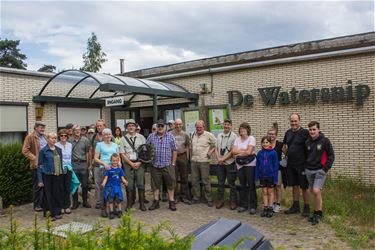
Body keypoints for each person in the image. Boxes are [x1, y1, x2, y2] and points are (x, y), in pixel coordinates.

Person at [305, 121, 335, 225]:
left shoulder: (325, 141)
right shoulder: (307, 142)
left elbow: (331, 156)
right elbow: (306, 156)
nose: (312, 131)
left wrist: (325, 169)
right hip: (309, 170)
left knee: (316, 190)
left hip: (320, 171)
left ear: (318, 130)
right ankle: (319, 212)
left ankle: (316, 213)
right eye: (310, 130)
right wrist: (305, 168)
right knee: (315, 192)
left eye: (314, 129)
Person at [146, 119, 178, 211]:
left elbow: (174, 150)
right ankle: (156, 201)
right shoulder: (151, 136)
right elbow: (147, 149)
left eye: (162, 126)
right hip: (155, 165)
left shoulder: (170, 136)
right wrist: (149, 161)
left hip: (167, 164)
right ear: (156, 127)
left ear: (165, 127)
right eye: (158, 126)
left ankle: (171, 201)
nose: (160, 128)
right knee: (155, 184)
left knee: (170, 183)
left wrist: (173, 163)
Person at [283, 113, 310, 217]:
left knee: (304, 186)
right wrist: (286, 152)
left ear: (299, 121)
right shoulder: (288, 133)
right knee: (294, 185)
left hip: (302, 164)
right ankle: (295, 206)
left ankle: (307, 208)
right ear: (289, 121)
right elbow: (285, 146)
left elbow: (309, 147)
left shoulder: (305, 133)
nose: (293, 123)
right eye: (292, 121)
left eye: (295, 121)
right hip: (291, 164)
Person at [120, 119, 147, 211]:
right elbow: (122, 153)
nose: (131, 127)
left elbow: (145, 151)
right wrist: (131, 163)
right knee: (129, 184)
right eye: (129, 126)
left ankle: (142, 204)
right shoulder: (123, 139)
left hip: (140, 163)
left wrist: (140, 162)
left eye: (132, 126)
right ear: (127, 128)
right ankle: (129, 204)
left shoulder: (141, 137)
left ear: (136, 127)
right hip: (128, 164)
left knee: (140, 183)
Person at [37, 132, 64, 221]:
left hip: (57, 175)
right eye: (52, 138)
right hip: (47, 175)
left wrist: (62, 173)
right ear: (47, 139)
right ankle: (49, 214)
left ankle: (56, 212)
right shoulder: (43, 151)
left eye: (55, 138)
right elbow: (39, 166)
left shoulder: (58, 149)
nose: (54, 140)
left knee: (57, 194)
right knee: (48, 195)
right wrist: (40, 180)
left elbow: (61, 163)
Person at [232, 122, 257, 214]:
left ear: (248, 130)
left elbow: (249, 152)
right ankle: (243, 205)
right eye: (241, 129)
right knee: (242, 185)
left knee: (251, 185)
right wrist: (243, 151)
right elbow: (233, 151)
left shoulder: (251, 138)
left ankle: (253, 206)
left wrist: (239, 153)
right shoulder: (237, 139)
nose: (242, 131)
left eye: (244, 129)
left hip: (250, 164)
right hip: (240, 165)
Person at [190, 120, 216, 207]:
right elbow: (190, 146)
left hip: (204, 161)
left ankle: (209, 199)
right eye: (197, 127)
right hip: (194, 161)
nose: (199, 129)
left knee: (206, 181)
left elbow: (215, 144)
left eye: (200, 127)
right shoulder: (192, 134)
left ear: (203, 127)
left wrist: (210, 152)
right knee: (194, 181)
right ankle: (196, 197)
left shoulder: (208, 135)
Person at [22, 121, 47, 212]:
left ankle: (43, 204)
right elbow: (25, 151)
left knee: (45, 185)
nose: (43, 129)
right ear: (35, 127)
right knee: (37, 186)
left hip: (46, 165)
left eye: (43, 127)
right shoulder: (30, 137)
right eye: (41, 127)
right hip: (37, 166)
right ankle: (37, 205)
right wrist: (35, 159)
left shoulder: (44, 136)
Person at [94, 128, 119, 217]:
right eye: (106, 134)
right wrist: (104, 163)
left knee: (114, 188)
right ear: (103, 136)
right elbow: (96, 158)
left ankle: (114, 208)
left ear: (111, 135)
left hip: (114, 169)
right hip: (104, 170)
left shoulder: (115, 145)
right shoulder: (99, 144)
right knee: (103, 189)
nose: (108, 136)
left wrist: (119, 167)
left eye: (109, 134)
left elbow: (118, 157)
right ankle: (103, 208)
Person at [214, 119, 237, 210]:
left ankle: (233, 201)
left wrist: (223, 158)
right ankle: (220, 200)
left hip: (229, 163)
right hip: (220, 163)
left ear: (231, 126)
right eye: (225, 124)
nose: (226, 126)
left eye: (228, 125)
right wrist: (219, 158)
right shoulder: (219, 135)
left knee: (231, 183)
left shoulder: (234, 136)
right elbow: (215, 148)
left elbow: (232, 151)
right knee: (220, 183)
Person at [255, 136, 279, 218]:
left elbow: (276, 165)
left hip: (270, 176)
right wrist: (257, 176)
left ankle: (270, 208)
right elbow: (257, 165)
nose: (265, 144)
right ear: (261, 144)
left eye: (267, 142)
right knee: (264, 192)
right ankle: (265, 208)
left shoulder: (273, 152)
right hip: (262, 176)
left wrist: (275, 178)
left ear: (270, 143)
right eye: (263, 142)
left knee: (270, 192)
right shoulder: (259, 153)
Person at [69, 125, 92, 209]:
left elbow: (88, 152)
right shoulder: (69, 140)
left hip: (83, 164)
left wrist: (89, 165)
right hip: (74, 164)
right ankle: (75, 202)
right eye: (76, 130)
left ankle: (85, 201)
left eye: (79, 130)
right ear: (73, 131)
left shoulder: (85, 140)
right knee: (74, 184)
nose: (78, 131)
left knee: (85, 184)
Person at [101, 153, 128, 219]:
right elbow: (105, 178)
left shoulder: (120, 170)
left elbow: (122, 178)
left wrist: (125, 182)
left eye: (116, 160)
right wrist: (103, 183)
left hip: (117, 188)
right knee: (111, 200)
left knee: (118, 200)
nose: (115, 162)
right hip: (110, 187)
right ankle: (111, 212)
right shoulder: (108, 170)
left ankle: (119, 211)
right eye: (113, 160)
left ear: (118, 161)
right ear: (111, 161)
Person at [170, 118, 191, 203]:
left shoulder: (185, 134)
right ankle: (176, 196)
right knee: (173, 177)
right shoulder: (170, 134)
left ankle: (184, 196)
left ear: (182, 124)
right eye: (176, 124)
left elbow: (188, 146)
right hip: (173, 157)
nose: (178, 126)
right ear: (174, 125)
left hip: (183, 157)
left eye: (180, 124)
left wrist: (188, 158)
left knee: (184, 177)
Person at [267, 125, 286, 213]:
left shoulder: (280, 144)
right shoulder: (266, 143)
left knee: (278, 186)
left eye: (273, 134)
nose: (271, 136)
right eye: (270, 134)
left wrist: (284, 162)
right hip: (268, 169)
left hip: (277, 169)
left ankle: (278, 204)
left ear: (276, 135)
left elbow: (286, 153)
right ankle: (272, 202)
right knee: (271, 187)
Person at [55, 129, 73, 214]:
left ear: (67, 136)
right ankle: (61, 206)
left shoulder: (70, 145)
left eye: (65, 135)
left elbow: (71, 157)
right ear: (59, 136)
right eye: (61, 135)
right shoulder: (56, 145)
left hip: (68, 169)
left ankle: (67, 205)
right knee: (60, 188)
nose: (63, 137)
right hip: (60, 169)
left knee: (67, 188)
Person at [91, 119, 106, 209]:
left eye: (100, 126)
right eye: (97, 126)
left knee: (107, 182)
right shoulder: (94, 137)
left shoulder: (109, 136)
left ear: (104, 126)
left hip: (107, 164)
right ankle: (99, 201)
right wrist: (90, 164)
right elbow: (91, 150)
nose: (99, 127)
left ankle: (108, 199)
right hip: (96, 164)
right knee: (97, 183)